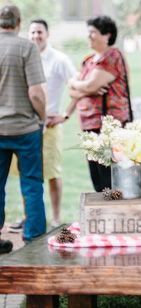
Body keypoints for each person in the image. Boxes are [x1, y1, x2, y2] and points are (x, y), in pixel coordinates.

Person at [66, 15, 132, 192]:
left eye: (93, 32)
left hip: (110, 125)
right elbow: (76, 92)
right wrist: (83, 88)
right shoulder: (89, 60)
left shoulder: (112, 56)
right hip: (90, 124)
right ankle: (104, 215)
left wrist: (77, 84)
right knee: (97, 177)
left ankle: (115, 217)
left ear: (107, 35)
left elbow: (89, 84)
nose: (88, 36)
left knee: (110, 178)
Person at [0, 4, 47, 251]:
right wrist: (43, 117)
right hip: (25, 128)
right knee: (31, 184)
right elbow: (36, 93)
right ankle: (34, 240)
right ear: (19, 23)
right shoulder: (26, 48)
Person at [28, 19, 76, 226]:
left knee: (53, 172)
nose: (36, 36)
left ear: (47, 34)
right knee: (29, 173)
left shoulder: (59, 59)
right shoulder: (26, 57)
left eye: (39, 32)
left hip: (50, 125)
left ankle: (56, 219)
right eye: (32, 32)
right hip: (27, 126)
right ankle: (28, 217)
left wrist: (65, 115)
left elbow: (77, 87)